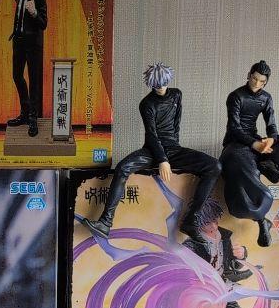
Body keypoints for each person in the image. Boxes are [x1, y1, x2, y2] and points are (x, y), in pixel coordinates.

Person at [80, 63, 220, 242]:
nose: (160, 87)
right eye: (156, 85)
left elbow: (176, 124)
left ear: (168, 80)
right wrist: (162, 159)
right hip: (152, 151)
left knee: (214, 166)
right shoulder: (147, 103)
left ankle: (191, 220)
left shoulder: (177, 95)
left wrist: (173, 152)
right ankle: (105, 222)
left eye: (163, 83)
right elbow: (151, 135)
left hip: (173, 149)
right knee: (122, 168)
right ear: (151, 84)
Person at [219, 61, 279, 247]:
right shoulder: (236, 96)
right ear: (249, 75)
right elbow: (235, 128)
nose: (256, 83)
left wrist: (271, 139)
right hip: (236, 143)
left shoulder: (266, 98)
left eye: (261, 81)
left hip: (256, 140)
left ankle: (268, 164)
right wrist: (254, 145)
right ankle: (262, 219)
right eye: (254, 78)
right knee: (238, 164)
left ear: (265, 82)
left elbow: (271, 124)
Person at [6, 0, 48, 137]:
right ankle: (24, 113)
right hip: (18, 42)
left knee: (33, 80)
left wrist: (34, 13)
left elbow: (43, 24)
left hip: (33, 45)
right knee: (17, 75)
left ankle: (33, 118)